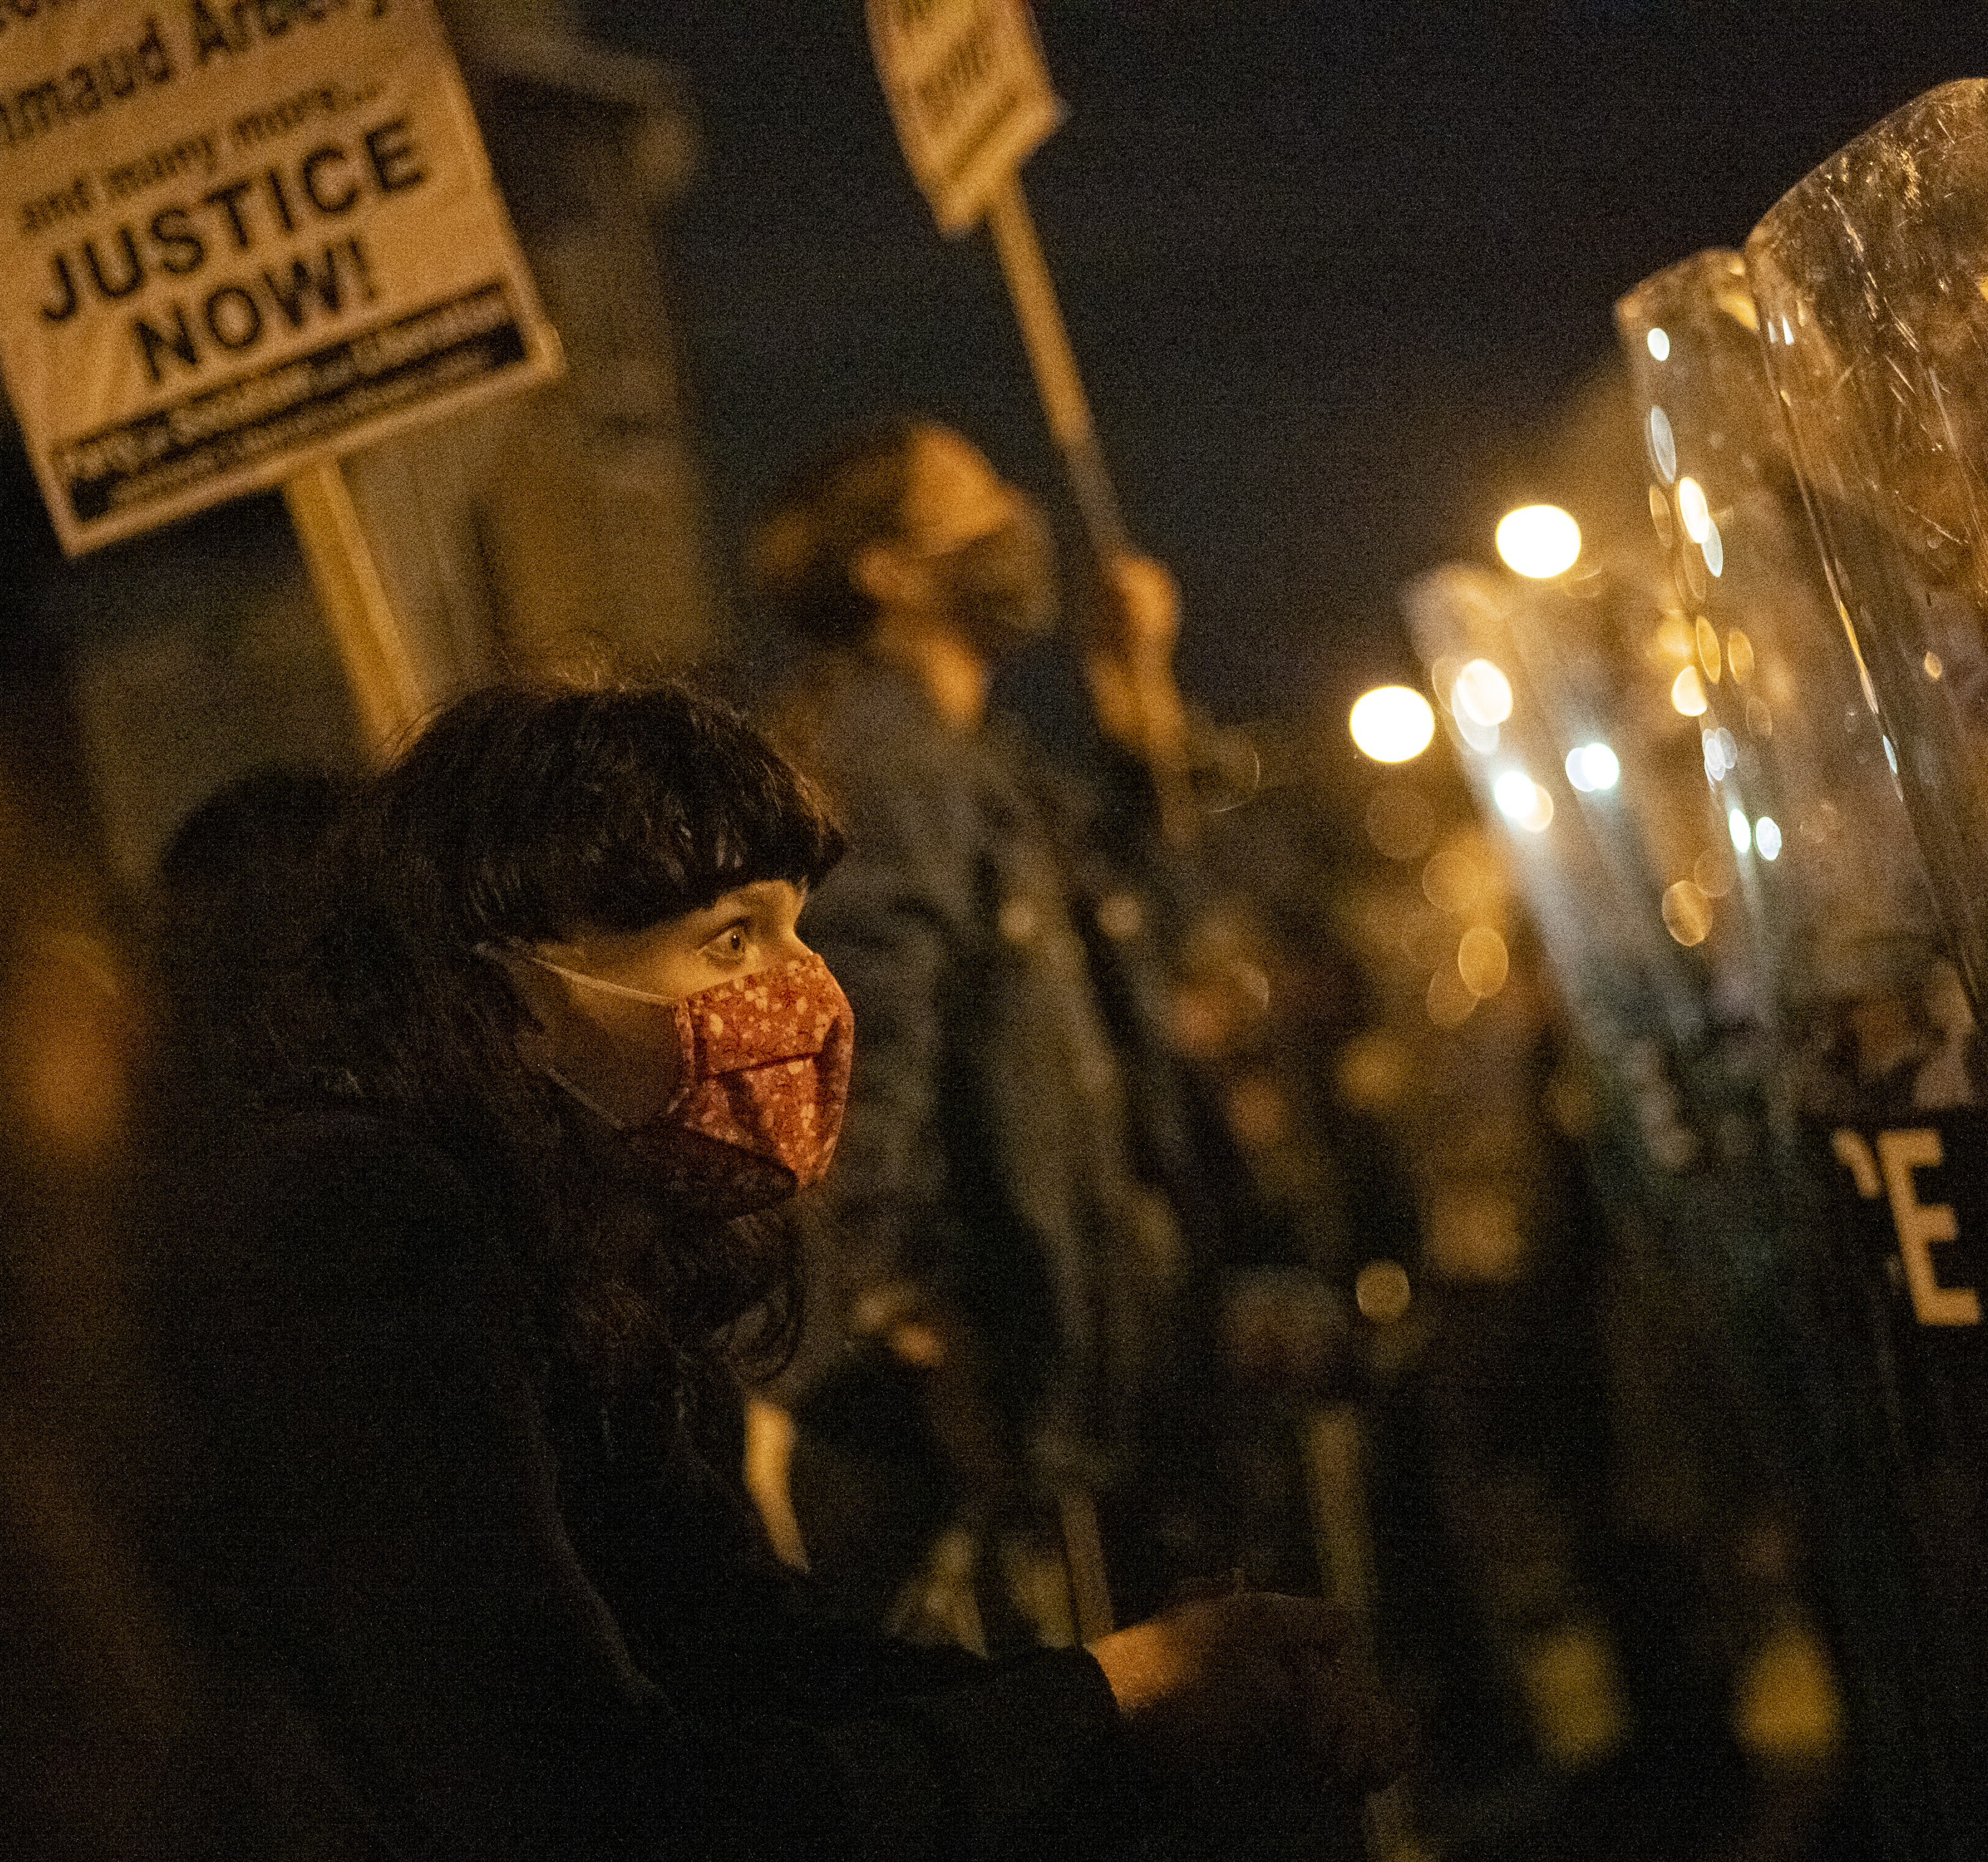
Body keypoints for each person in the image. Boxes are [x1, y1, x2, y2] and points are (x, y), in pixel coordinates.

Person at [149, 679, 1404, 1858]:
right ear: (513, 1000)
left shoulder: (604, 1236)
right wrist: (1119, 1695)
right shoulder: (363, 1229)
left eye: (796, 924)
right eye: (730, 938)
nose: (803, 989)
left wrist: (1156, 1702)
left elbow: (744, 1642)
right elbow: (587, 1802)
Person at [748, 420, 1244, 1645]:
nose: (1015, 519)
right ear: (888, 570)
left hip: (1074, 1352)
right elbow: (871, 1048)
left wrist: (1137, 700)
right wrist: (901, 1310)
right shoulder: (881, 763)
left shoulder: (969, 760)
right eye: (970, 500)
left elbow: (1134, 929)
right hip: (991, 1389)